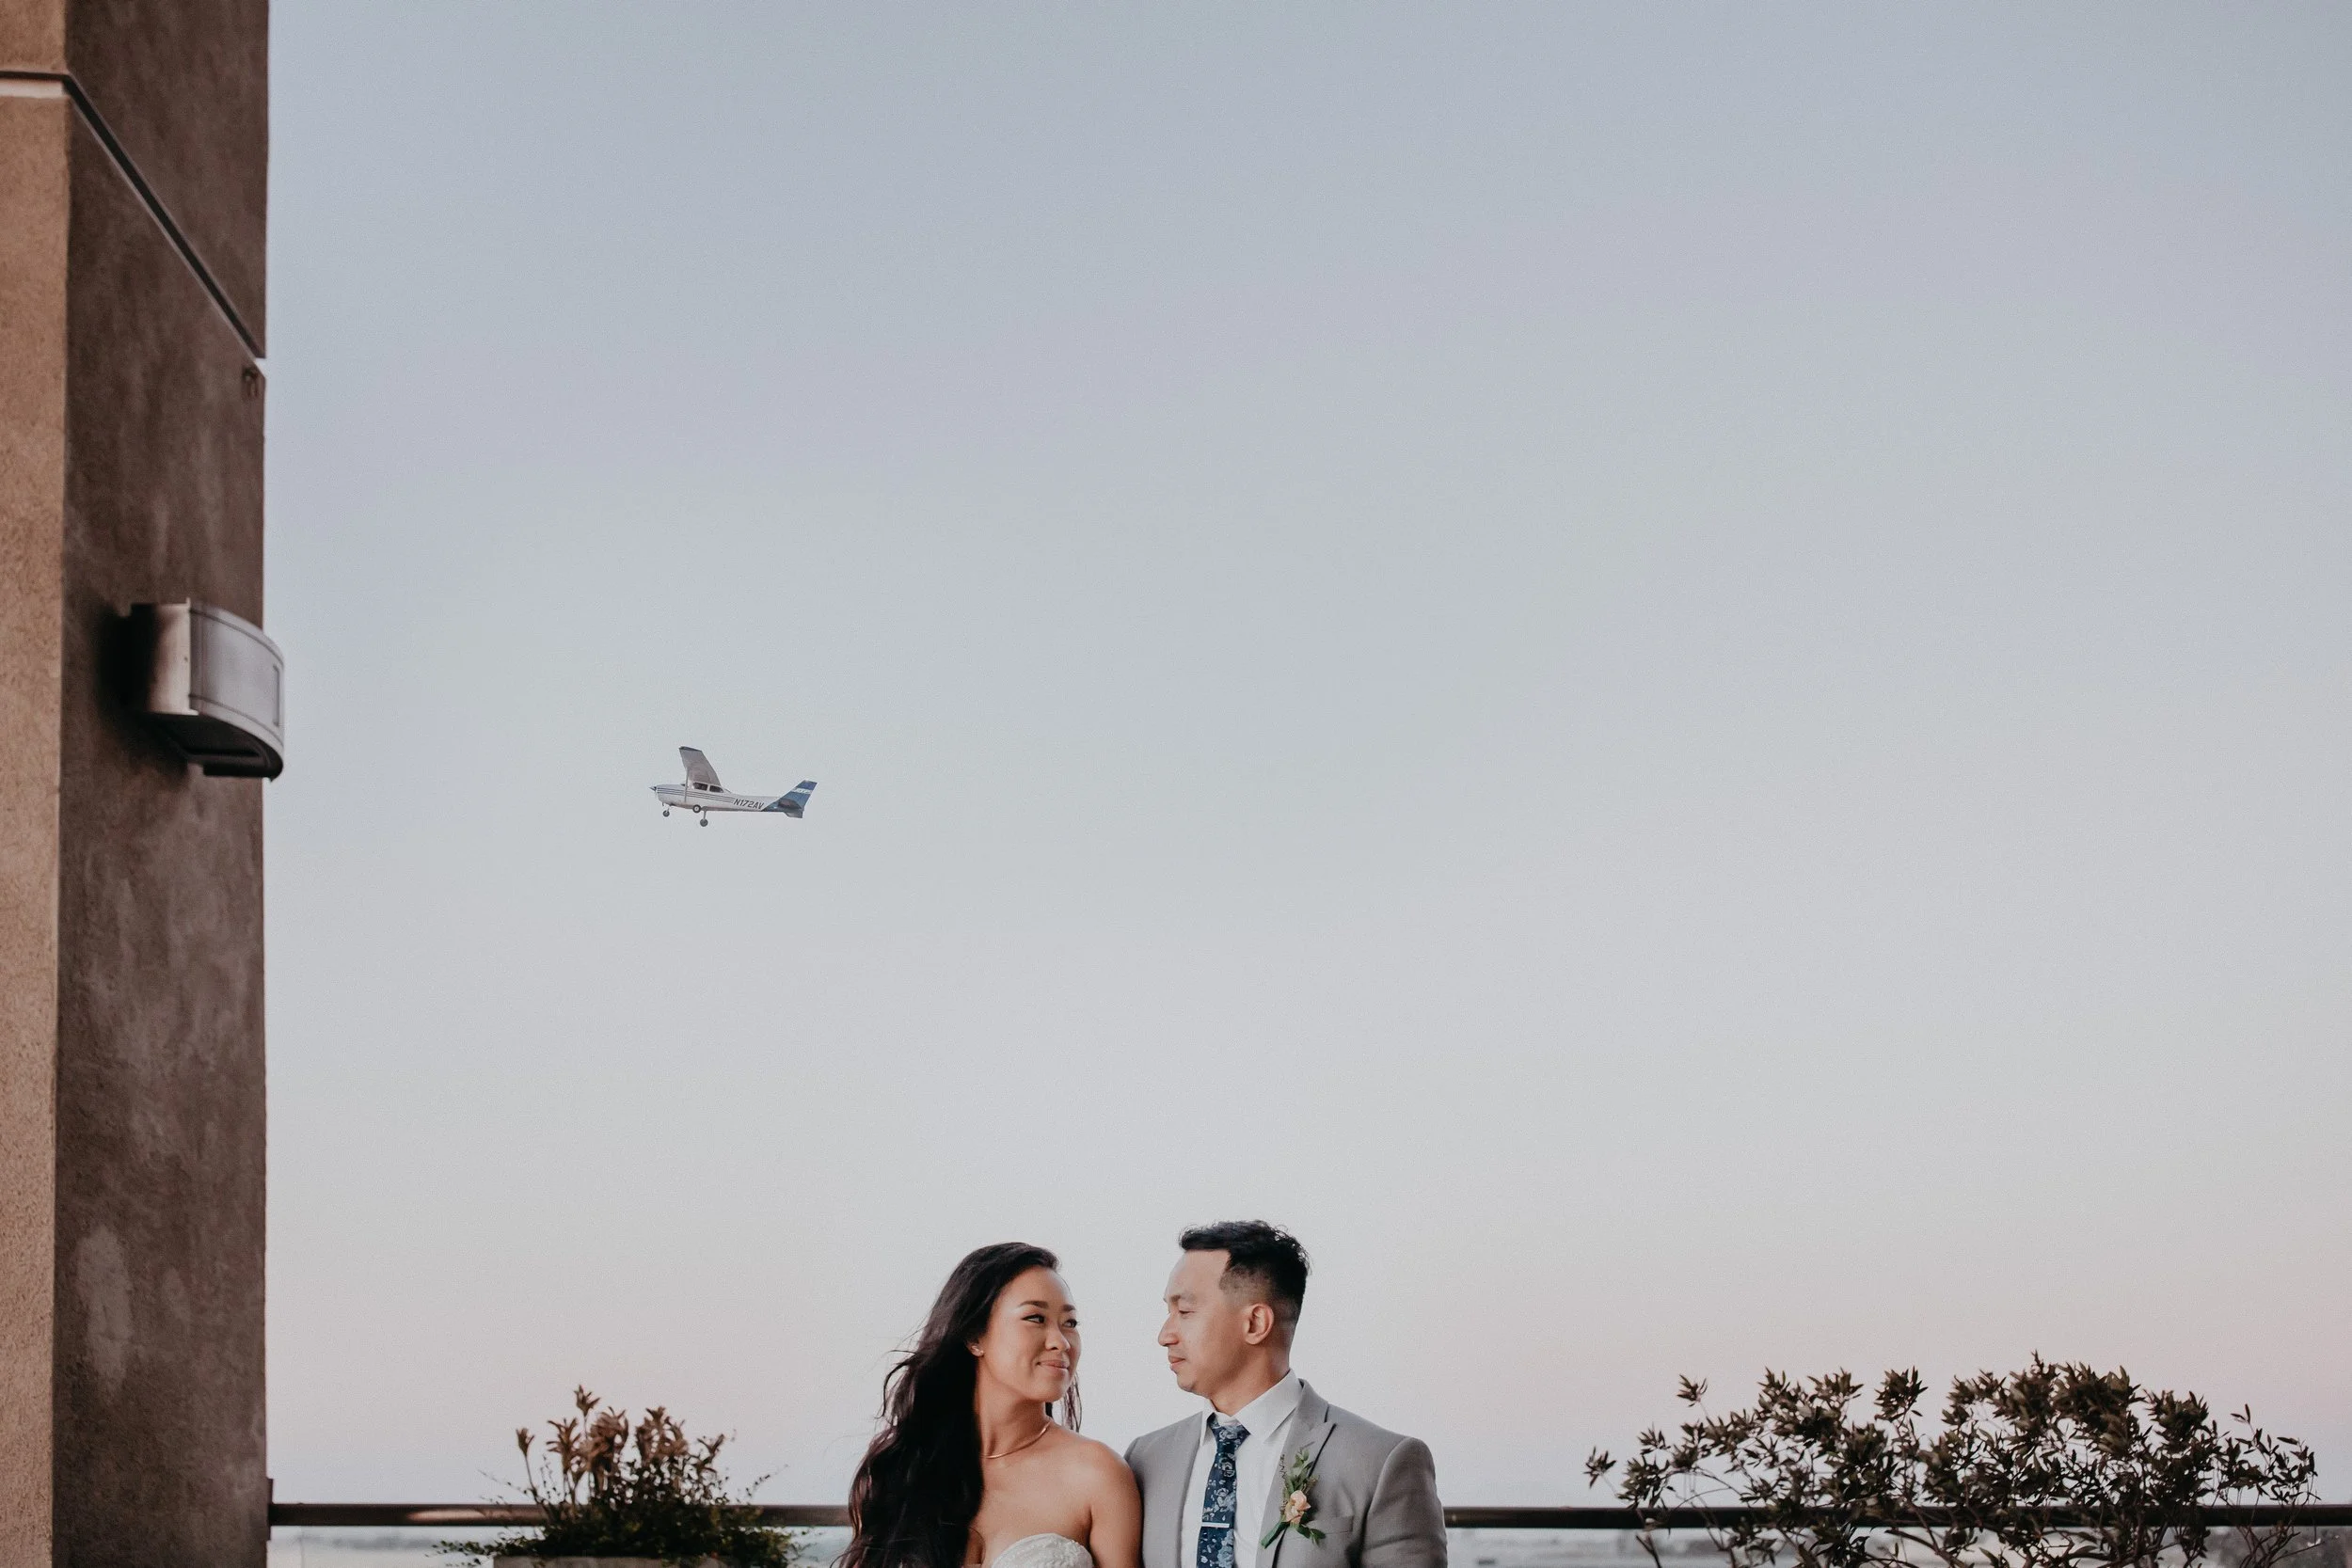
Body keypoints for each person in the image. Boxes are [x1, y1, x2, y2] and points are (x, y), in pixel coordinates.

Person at [1124, 1223, 1445, 1568]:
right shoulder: (1146, 1459)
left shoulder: (1382, 1462)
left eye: (1184, 1312)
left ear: (1255, 1323)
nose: (1165, 1335)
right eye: (1167, 1312)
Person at [845, 1243, 1143, 1568]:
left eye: (1069, 1323)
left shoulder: (1098, 1474)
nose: (1061, 1341)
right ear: (975, 1336)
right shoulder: (900, 1468)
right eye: (1035, 1318)